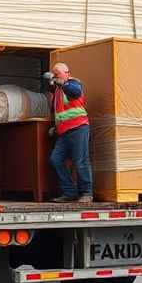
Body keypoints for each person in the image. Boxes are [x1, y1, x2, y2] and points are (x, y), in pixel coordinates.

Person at [48, 62, 93, 203]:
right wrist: (55, 128)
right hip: (64, 132)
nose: (55, 77)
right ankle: (70, 192)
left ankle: (86, 193)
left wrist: (62, 83)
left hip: (78, 128)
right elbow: (60, 112)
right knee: (55, 159)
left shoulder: (73, 84)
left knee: (80, 161)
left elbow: (75, 92)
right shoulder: (57, 91)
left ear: (67, 73)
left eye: (57, 74)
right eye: (54, 74)